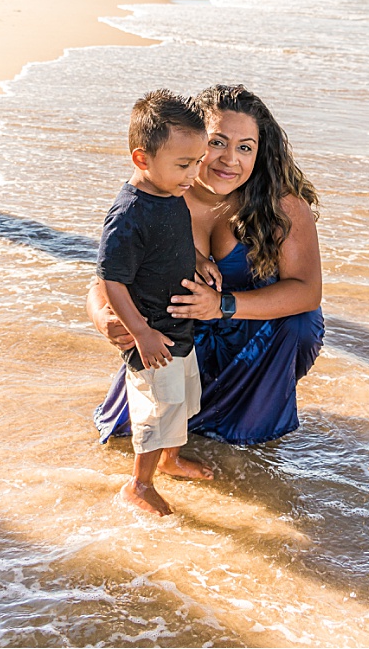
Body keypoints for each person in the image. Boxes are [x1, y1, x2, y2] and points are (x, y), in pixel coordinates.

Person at [91, 84, 324, 458]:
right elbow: (108, 274)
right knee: (129, 439)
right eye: (217, 142)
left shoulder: (281, 205)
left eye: (245, 147)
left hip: (255, 334)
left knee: (299, 324)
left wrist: (222, 305)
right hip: (178, 332)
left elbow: (307, 291)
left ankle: (246, 415)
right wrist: (104, 317)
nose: (229, 159)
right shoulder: (157, 192)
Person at [95, 90, 213, 516]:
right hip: (152, 335)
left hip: (180, 330)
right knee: (156, 411)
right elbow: (112, 279)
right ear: (142, 159)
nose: (193, 173)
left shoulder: (172, 194)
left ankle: (170, 460)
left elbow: (175, 243)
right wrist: (141, 333)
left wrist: (200, 261)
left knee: (181, 401)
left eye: (197, 161)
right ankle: (139, 485)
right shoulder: (128, 215)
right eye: (184, 164)